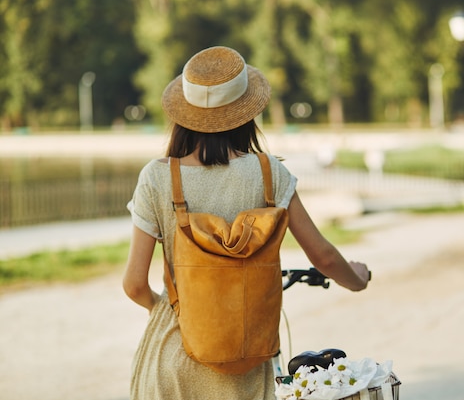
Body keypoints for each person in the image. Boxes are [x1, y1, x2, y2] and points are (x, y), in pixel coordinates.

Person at [123, 46, 370, 399]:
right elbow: (325, 257)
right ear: (246, 114)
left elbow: (134, 284)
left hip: (172, 364)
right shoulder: (270, 175)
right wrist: (357, 279)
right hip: (246, 366)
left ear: (183, 115)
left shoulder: (158, 178)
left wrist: (176, 306)